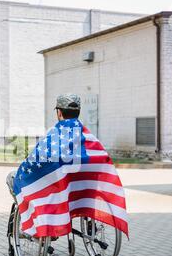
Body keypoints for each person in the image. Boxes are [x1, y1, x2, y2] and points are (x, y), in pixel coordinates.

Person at [7, 93, 128, 243]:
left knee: (13, 179)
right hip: (83, 191)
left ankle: (37, 226)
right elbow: (102, 159)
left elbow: (35, 162)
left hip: (59, 191)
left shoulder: (54, 134)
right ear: (78, 112)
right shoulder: (88, 136)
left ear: (59, 112)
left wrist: (22, 171)